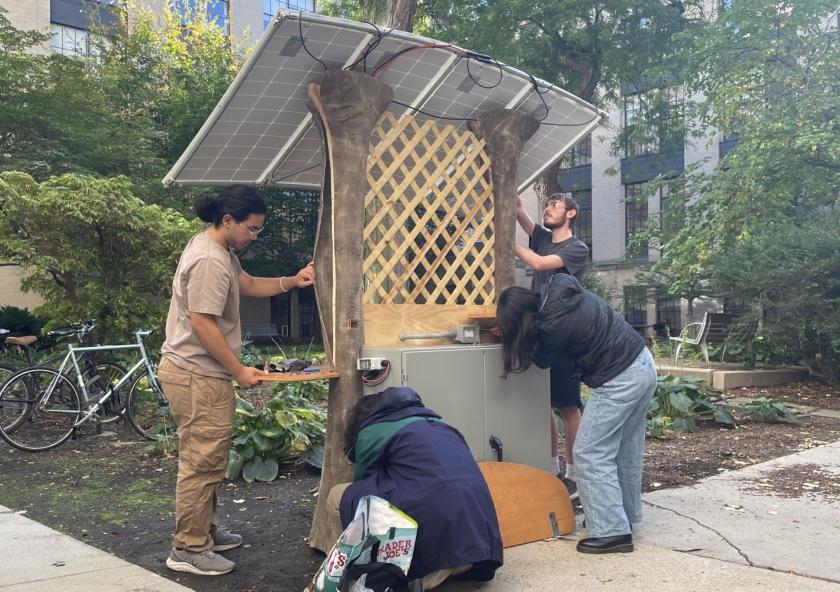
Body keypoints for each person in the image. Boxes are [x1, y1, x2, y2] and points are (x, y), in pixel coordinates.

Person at [158, 185, 315, 576]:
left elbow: (246, 286)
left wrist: (291, 281)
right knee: (202, 462)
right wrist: (239, 370)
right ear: (228, 220)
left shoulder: (221, 251)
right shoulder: (210, 260)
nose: (254, 236)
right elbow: (202, 323)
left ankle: (204, 532)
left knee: (208, 456)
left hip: (197, 372)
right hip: (197, 373)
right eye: (252, 229)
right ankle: (188, 548)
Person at [496, 274, 657, 554]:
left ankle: (611, 532)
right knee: (624, 451)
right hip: (643, 364)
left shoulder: (551, 326)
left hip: (620, 378)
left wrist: (507, 335)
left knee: (588, 451)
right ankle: (624, 520)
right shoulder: (561, 292)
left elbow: (542, 359)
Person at [326, 387, 503, 588]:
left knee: (339, 496)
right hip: (478, 549)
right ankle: (448, 567)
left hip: (432, 547)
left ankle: (342, 570)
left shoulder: (372, 430)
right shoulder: (442, 425)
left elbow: (364, 490)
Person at [515, 192, 588, 495]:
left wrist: (505, 243)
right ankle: (551, 466)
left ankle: (573, 473)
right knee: (541, 402)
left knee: (568, 405)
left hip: (566, 334)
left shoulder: (576, 248)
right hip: (540, 331)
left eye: (555, 206)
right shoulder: (542, 236)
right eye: (547, 206)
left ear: (570, 213)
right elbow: (519, 209)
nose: (548, 210)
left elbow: (541, 263)